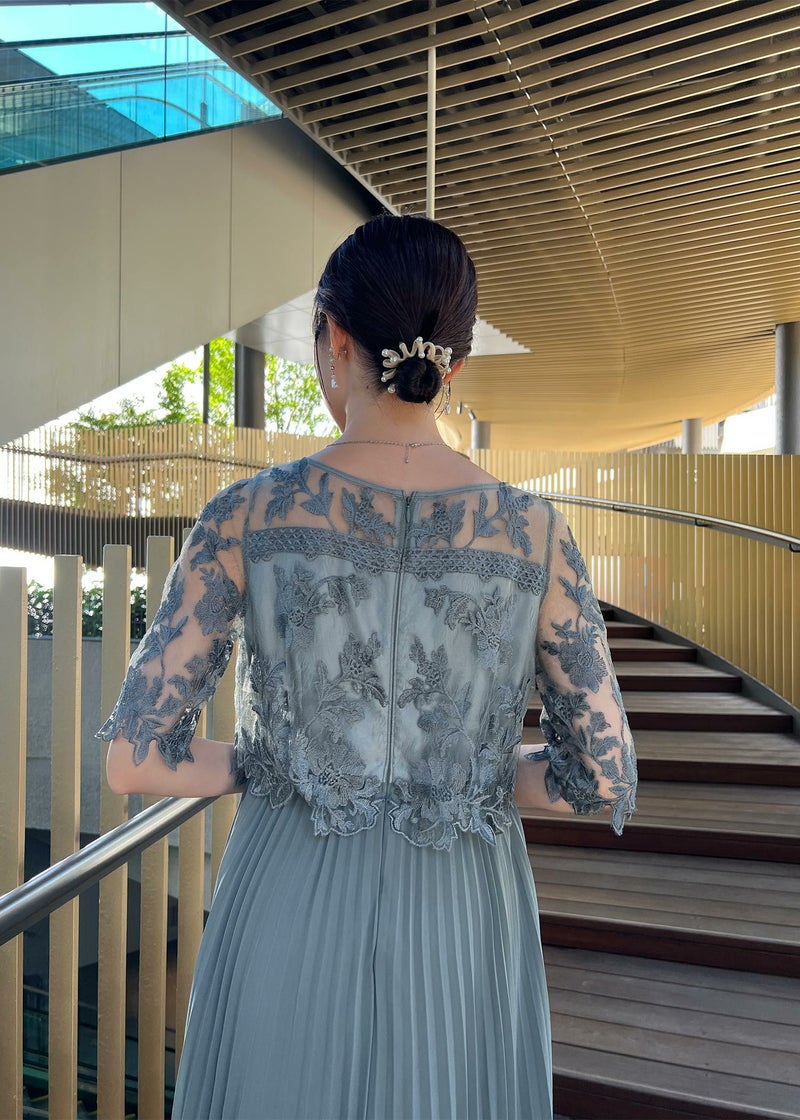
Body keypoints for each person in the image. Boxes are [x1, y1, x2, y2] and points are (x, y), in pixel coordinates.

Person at [97, 213, 637, 1120]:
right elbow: (604, 777)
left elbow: (134, 759)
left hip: (287, 895)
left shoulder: (246, 515)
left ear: (335, 338)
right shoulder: (536, 534)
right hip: (460, 909)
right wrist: (465, 771)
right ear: (454, 364)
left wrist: (274, 762)